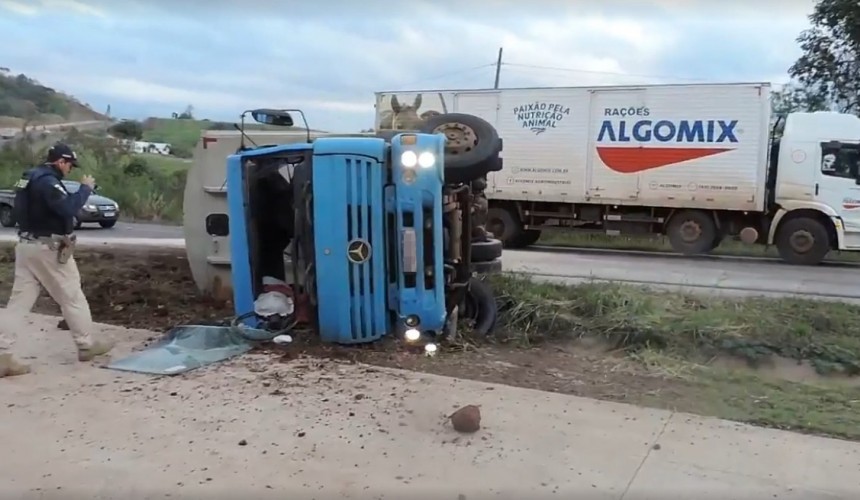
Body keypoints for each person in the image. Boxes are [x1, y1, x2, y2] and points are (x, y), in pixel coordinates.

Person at [0, 143, 114, 377]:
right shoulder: (48, 182)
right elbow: (67, 208)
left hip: (26, 244)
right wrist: (85, 189)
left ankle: (3, 354)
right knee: (72, 295)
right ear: (61, 161)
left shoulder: (28, 178)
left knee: (18, 303)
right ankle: (86, 344)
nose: (70, 169)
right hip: (47, 248)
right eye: (70, 165)